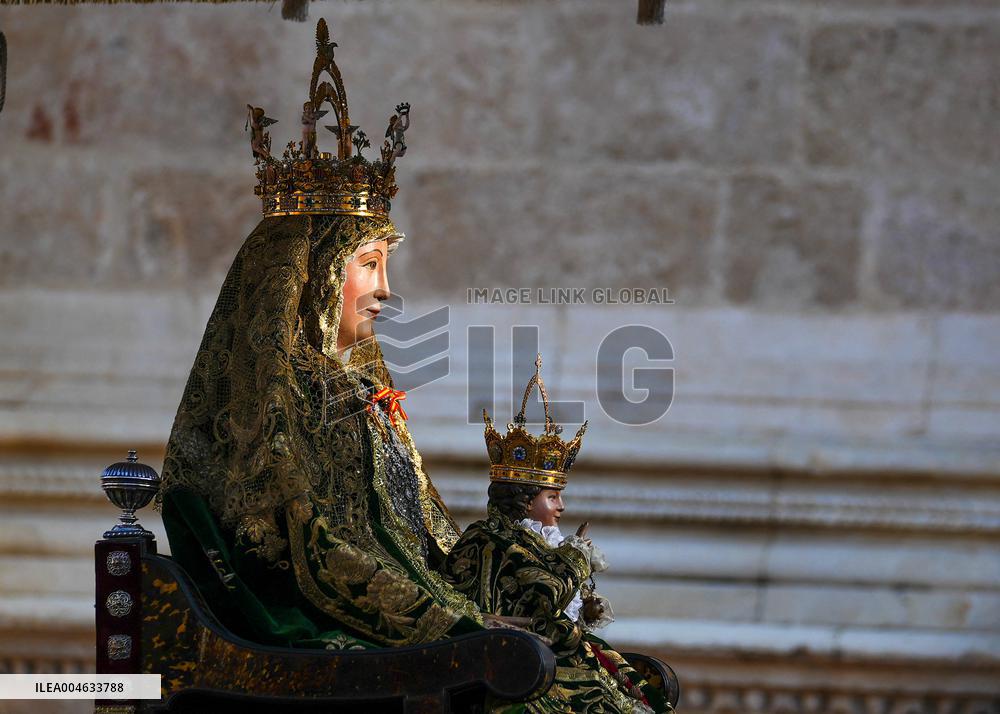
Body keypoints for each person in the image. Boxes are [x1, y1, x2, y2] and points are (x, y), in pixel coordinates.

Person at [156, 19, 483, 651]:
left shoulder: (360, 393)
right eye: (370, 264)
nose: (385, 289)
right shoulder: (286, 404)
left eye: (386, 265)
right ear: (312, 277)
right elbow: (319, 550)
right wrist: (457, 627)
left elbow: (421, 539)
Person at [439, 355, 672, 714]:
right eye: (552, 497)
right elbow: (543, 598)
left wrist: (586, 608)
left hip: (555, 655)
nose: (561, 506)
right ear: (523, 499)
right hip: (515, 664)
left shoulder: (542, 542)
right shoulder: (491, 540)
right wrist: (576, 559)